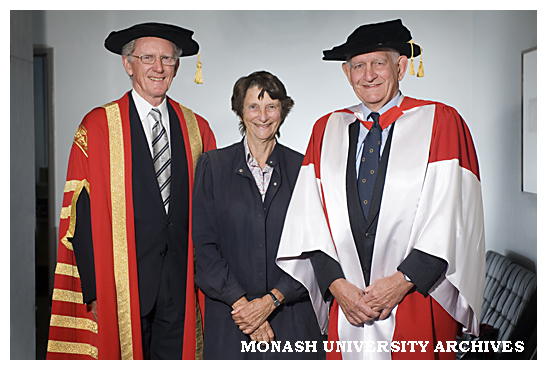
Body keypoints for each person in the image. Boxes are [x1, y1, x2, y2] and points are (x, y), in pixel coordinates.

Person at [276, 19, 485, 360]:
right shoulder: (326, 129)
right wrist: (336, 286)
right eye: (358, 65)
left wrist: (401, 282)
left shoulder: (441, 121)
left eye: (378, 63)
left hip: (418, 297)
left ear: (401, 66)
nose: (368, 75)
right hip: (348, 303)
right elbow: (308, 219)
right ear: (347, 73)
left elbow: (454, 217)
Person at [46, 22, 216, 360]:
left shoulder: (198, 128)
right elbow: (80, 213)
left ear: (177, 67)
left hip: (182, 284)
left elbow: (211, 212)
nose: (158, 68)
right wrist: (94, 290)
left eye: (167, 60)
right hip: (121, 284)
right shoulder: (98, 126)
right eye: (148, 57)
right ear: (128, 64)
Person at [192, 71, 324, 359]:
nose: (262, 116)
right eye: (253, 106)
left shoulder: (304, 168)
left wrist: (271, 301)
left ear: (282, 111)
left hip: (292, 317)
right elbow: (204, 248)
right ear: (240, 112)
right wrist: (245, 308)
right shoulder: (212, 166)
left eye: (271, 106)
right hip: (231, 319)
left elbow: (315, 248)